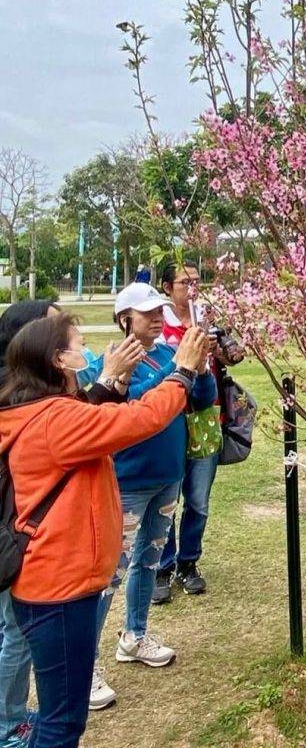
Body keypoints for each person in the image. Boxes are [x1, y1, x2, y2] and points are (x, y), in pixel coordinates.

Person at [0, 312, 209, 748]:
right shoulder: (53, 419)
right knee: (62, 724)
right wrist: (183, 371)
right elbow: (140, 420)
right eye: (79, 346)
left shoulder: (38, 410)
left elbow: (89, 420)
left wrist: (111, 383)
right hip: (58, 589)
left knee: (61, 714)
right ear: (59, 360)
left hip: (52, 584)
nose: (88, 354)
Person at [88, 283, 217, 711]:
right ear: (124, 317)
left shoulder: (165, 354)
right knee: (111, 572)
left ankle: (135, 635)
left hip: (168, 476)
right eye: (146, 312)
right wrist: (179, 370)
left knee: (149, 558)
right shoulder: (111, 362)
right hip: (126, 483)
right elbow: (135, 407)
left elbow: (200, 400)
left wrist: (199, 369)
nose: (157, 317)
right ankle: (86, 665)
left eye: (160, 310)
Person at [152, 261, 234, 600]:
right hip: (170, 419)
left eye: (198, 281)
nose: (193, 287)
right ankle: (163, 565)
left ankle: (188, 563)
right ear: (168, 287)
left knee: (198, 500)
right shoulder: (158, 322)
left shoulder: (209, 316)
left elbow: (236, 355)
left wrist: (223, 350)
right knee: (167, 499)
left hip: (206, 417)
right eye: (186, 282)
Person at [0, 302, 58, 748]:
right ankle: (9, 724)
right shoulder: (13, 396)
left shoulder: (24, 387)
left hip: (12, 527)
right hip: (10, 531)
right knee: (16, 633)